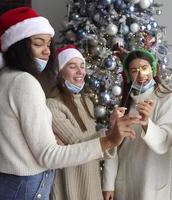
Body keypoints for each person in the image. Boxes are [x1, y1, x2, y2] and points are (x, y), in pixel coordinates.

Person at [0, 7, 140, 200]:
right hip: (28, 186)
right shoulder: (25, 83)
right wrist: (109, 140)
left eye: (48, 44)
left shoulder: (2, 78)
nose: (46, 51)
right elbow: (49, 155)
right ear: (19, 45)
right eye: (37, 43)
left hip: (12, 183)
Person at [46, 45, 125, 200]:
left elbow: (92, 148)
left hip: (91, 179)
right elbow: (78, 143)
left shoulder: (86, 101)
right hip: (71, 183)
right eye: (72, 66)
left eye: (82, 66)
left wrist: (112, 126)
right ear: (60, 72)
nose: (80, 71)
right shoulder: (52, 105)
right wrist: (110, 134)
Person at [102, 49, 172, 200]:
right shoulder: (124, 105)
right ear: (129, 75)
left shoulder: (168, 99)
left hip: (153, 181)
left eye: (144, 68)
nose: (141, 74)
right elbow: (113, 147)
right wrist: (108, 184)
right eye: (134, 70)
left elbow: (165, 141)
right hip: (126, 181)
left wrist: (146, 123)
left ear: (153, 69)